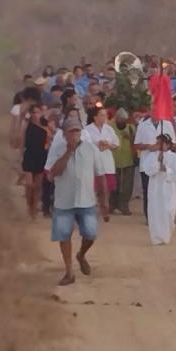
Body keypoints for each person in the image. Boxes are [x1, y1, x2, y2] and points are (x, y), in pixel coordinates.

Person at [45, 118, 108, 286]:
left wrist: (104, 201)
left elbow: (100, 176)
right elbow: (52, 174)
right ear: (64, 134)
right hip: (64, 201)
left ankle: (81, 254)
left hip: (86, 200)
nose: (75, 134)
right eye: (71, 131)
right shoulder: (57, 149)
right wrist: (67, 153)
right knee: (64, 236)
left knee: (90, 234)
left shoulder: (91, 149)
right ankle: (69, 272)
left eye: (77, 131)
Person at [133, 114, 176, 220]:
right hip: (147, 164)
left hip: (163, 163)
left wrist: (163, 147)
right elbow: (137, 144)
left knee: (162, 191)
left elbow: (174, 143)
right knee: (148, 190)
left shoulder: (167, 125)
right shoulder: (142, 126)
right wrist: (149, 146)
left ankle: (162, 215)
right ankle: (149, 216)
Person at [142, 134, 176, 246]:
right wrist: (157, 163)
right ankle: (157, 237)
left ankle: (166, 234)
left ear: (168, 144)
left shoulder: (174, 157)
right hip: (156, 188)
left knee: (169, 211)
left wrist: (166, 169)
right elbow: (148, 170)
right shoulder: (152, 156)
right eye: (158, 143)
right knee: (156, 211)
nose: (159, 145)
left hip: (169, 188)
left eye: (162, 143)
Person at [85, 107, 119, 222]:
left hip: (106, 161)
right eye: (101, 115)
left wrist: (108, 145)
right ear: (95, 116)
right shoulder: (87, 130)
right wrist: (97, 143)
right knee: (93, 187)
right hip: (93, 161)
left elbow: (116, 144)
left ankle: (105, 209)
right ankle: (91, 209)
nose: (104, 117)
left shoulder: (109, 129)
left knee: (106, 188)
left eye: (105, 115)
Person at [22, 104, 49, 219]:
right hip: (29, 156)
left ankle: (34, 210)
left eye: (38, 112)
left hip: (41, 155)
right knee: (29, 185)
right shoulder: (26, 126)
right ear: (31, 114)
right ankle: (29, 206)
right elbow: (22, 142)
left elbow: (48, 140)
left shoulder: (45, 126)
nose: (36, 114)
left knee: (38, 186)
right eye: (34, 112)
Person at [110, 108, 136, 215]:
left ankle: (124, 206)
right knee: (113, 184)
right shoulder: (110, 127)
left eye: (123, 119)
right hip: (113, 160)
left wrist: (129, 137)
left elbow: (137, 142)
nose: (121, 121)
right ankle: (112, 205)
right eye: (119, 119)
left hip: (128, 160)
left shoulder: (131, 128)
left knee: (127, 185)